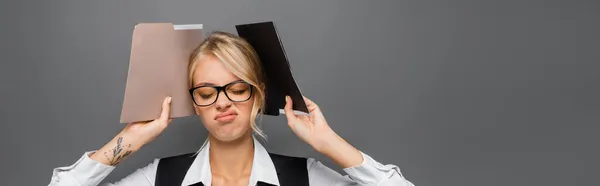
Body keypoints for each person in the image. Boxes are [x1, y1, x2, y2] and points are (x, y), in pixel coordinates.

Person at [48, 31, 415, 186]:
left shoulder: (303, 178)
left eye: (237, 88)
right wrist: (128, 141)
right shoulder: (161, 178)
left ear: (257, 94)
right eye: (207, 92)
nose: (223, 101)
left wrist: (330, 144)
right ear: (195, 103)